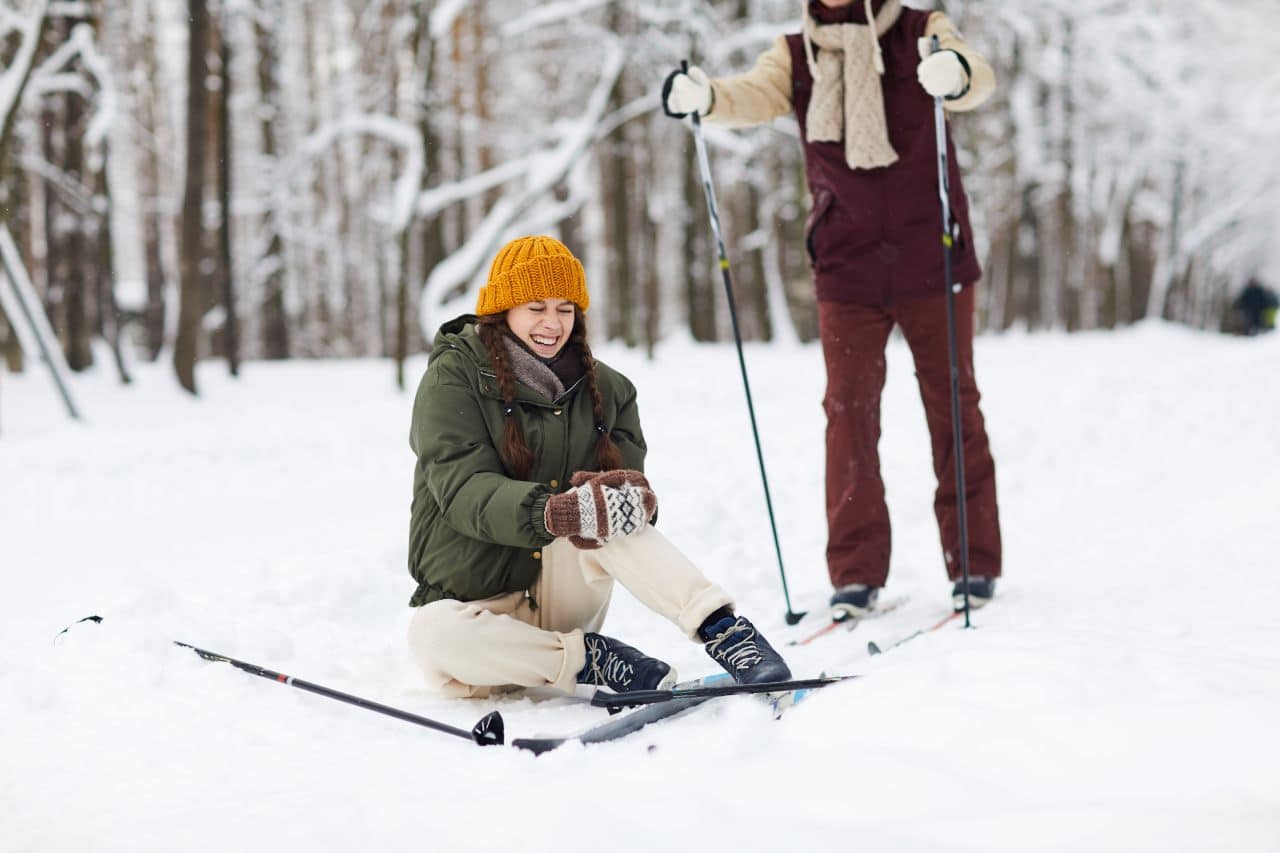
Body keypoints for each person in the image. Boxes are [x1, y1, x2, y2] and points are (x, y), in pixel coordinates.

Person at [662, 0, 1002, 618]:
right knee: (847, 416)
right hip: (847, 264)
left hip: (934, 256)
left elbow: (977, 75)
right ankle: (855, 573)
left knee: (953, 402)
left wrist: (954, 72)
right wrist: (705, 96)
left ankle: (974, 562)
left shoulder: (920, 30)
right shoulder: (795, 54)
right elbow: (752, 94)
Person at [405, 235, 791, 698]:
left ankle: (724, 631)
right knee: (429, 635)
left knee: (610, 511)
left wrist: (631, 499)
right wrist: (555, 511)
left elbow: (625, 508)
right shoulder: (453, 378)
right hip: (478, 616)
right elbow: (463, 489)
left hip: (560, 595)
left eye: (565, 309)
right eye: (536, 307)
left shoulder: (609, 391)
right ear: (503, 309)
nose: (552, 323)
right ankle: (590, 660)